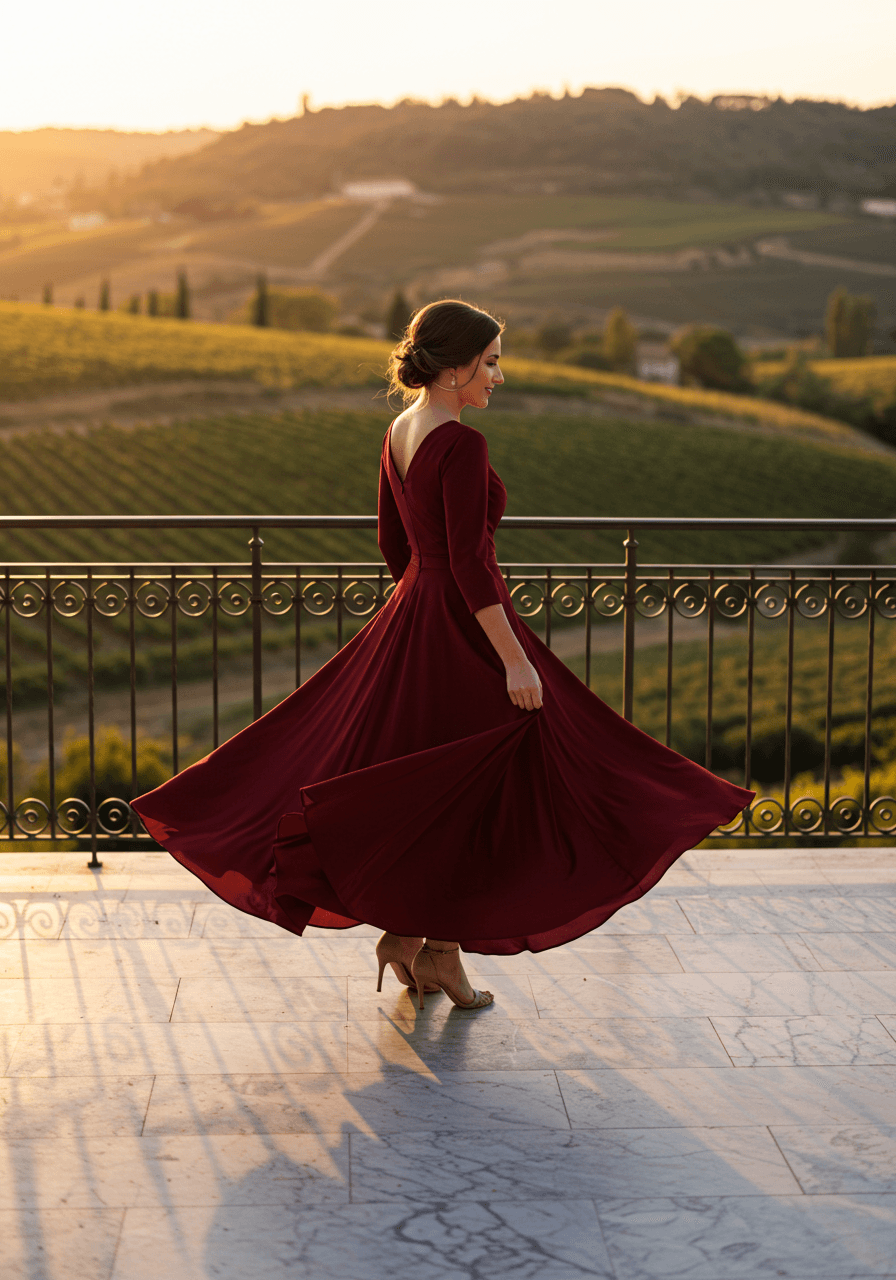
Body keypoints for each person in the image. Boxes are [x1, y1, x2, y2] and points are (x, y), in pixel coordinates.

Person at [132, 298, 754, 1012]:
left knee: (446, 786)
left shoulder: (399, 429)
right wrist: (513, 659)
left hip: (419, 617)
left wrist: (417, 610)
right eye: (490, 362)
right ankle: (434, 950)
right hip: (462, 627)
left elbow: (393, 545)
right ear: (455, 366)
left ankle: (417, 942)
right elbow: (469, 562)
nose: (499, 376)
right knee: (512, 769)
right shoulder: (461, 443)